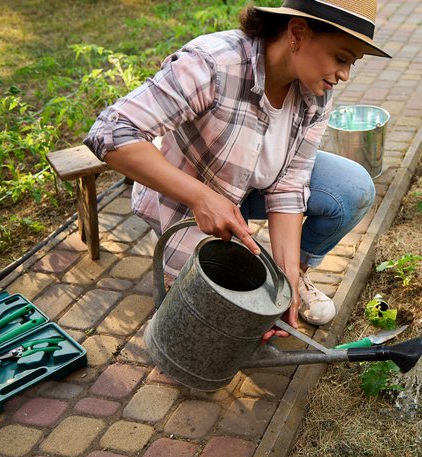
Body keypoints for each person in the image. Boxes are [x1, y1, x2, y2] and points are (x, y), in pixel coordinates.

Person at [84, 0, 391, 342]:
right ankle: (192, 263)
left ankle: (292, 278)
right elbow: (110, 133)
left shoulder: (315, 93)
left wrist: (284, 285)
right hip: (189, 200)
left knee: (353, 187)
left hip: (250, 189)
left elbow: (290, 187)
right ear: (298, 33)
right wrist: (202, 197)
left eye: (352, 63)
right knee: (212, 325)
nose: (345, 74)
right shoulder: (213, 63)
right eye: (341, 57)